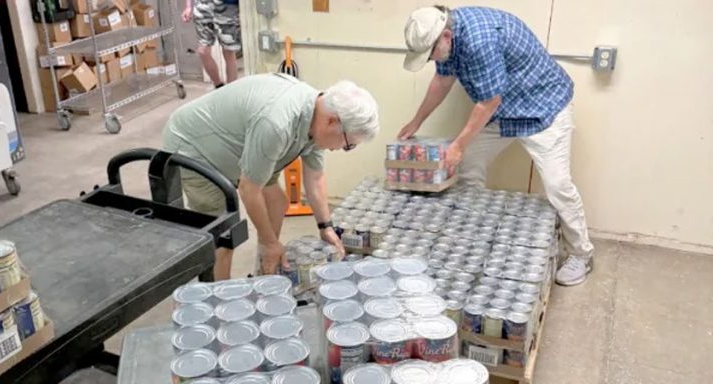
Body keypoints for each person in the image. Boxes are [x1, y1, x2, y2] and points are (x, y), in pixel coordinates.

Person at [399, 6, 595, 286]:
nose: (431, 59)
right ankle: (473, 233)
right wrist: (417, 121)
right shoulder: (448, 40)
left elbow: (489, 101)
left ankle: (581, 254)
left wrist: (457, 146)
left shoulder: (479, 40)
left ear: (445, 36)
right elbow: (442, 81)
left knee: (557, 185)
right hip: (506, 110)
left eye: (430, 53)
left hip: (544, 107)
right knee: (469, 165)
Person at [163, 73, 380, 280]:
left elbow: (314, 179)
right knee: (224, 233)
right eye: (348, 144)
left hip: (237, 144)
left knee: (277, 202)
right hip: (195, 146)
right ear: (332, 122)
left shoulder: (318, 114)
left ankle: (263, 270)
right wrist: (269, 242)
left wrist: (326, 227)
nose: (343, 148)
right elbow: (249, 189)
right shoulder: (277, 123)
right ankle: (219, 296)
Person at [182, 0, 241, 88]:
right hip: (202, 6)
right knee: (203, 51)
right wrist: (188, 6)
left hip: (227, 7)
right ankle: (218, 85)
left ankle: (231, 92)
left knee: (228, 52)